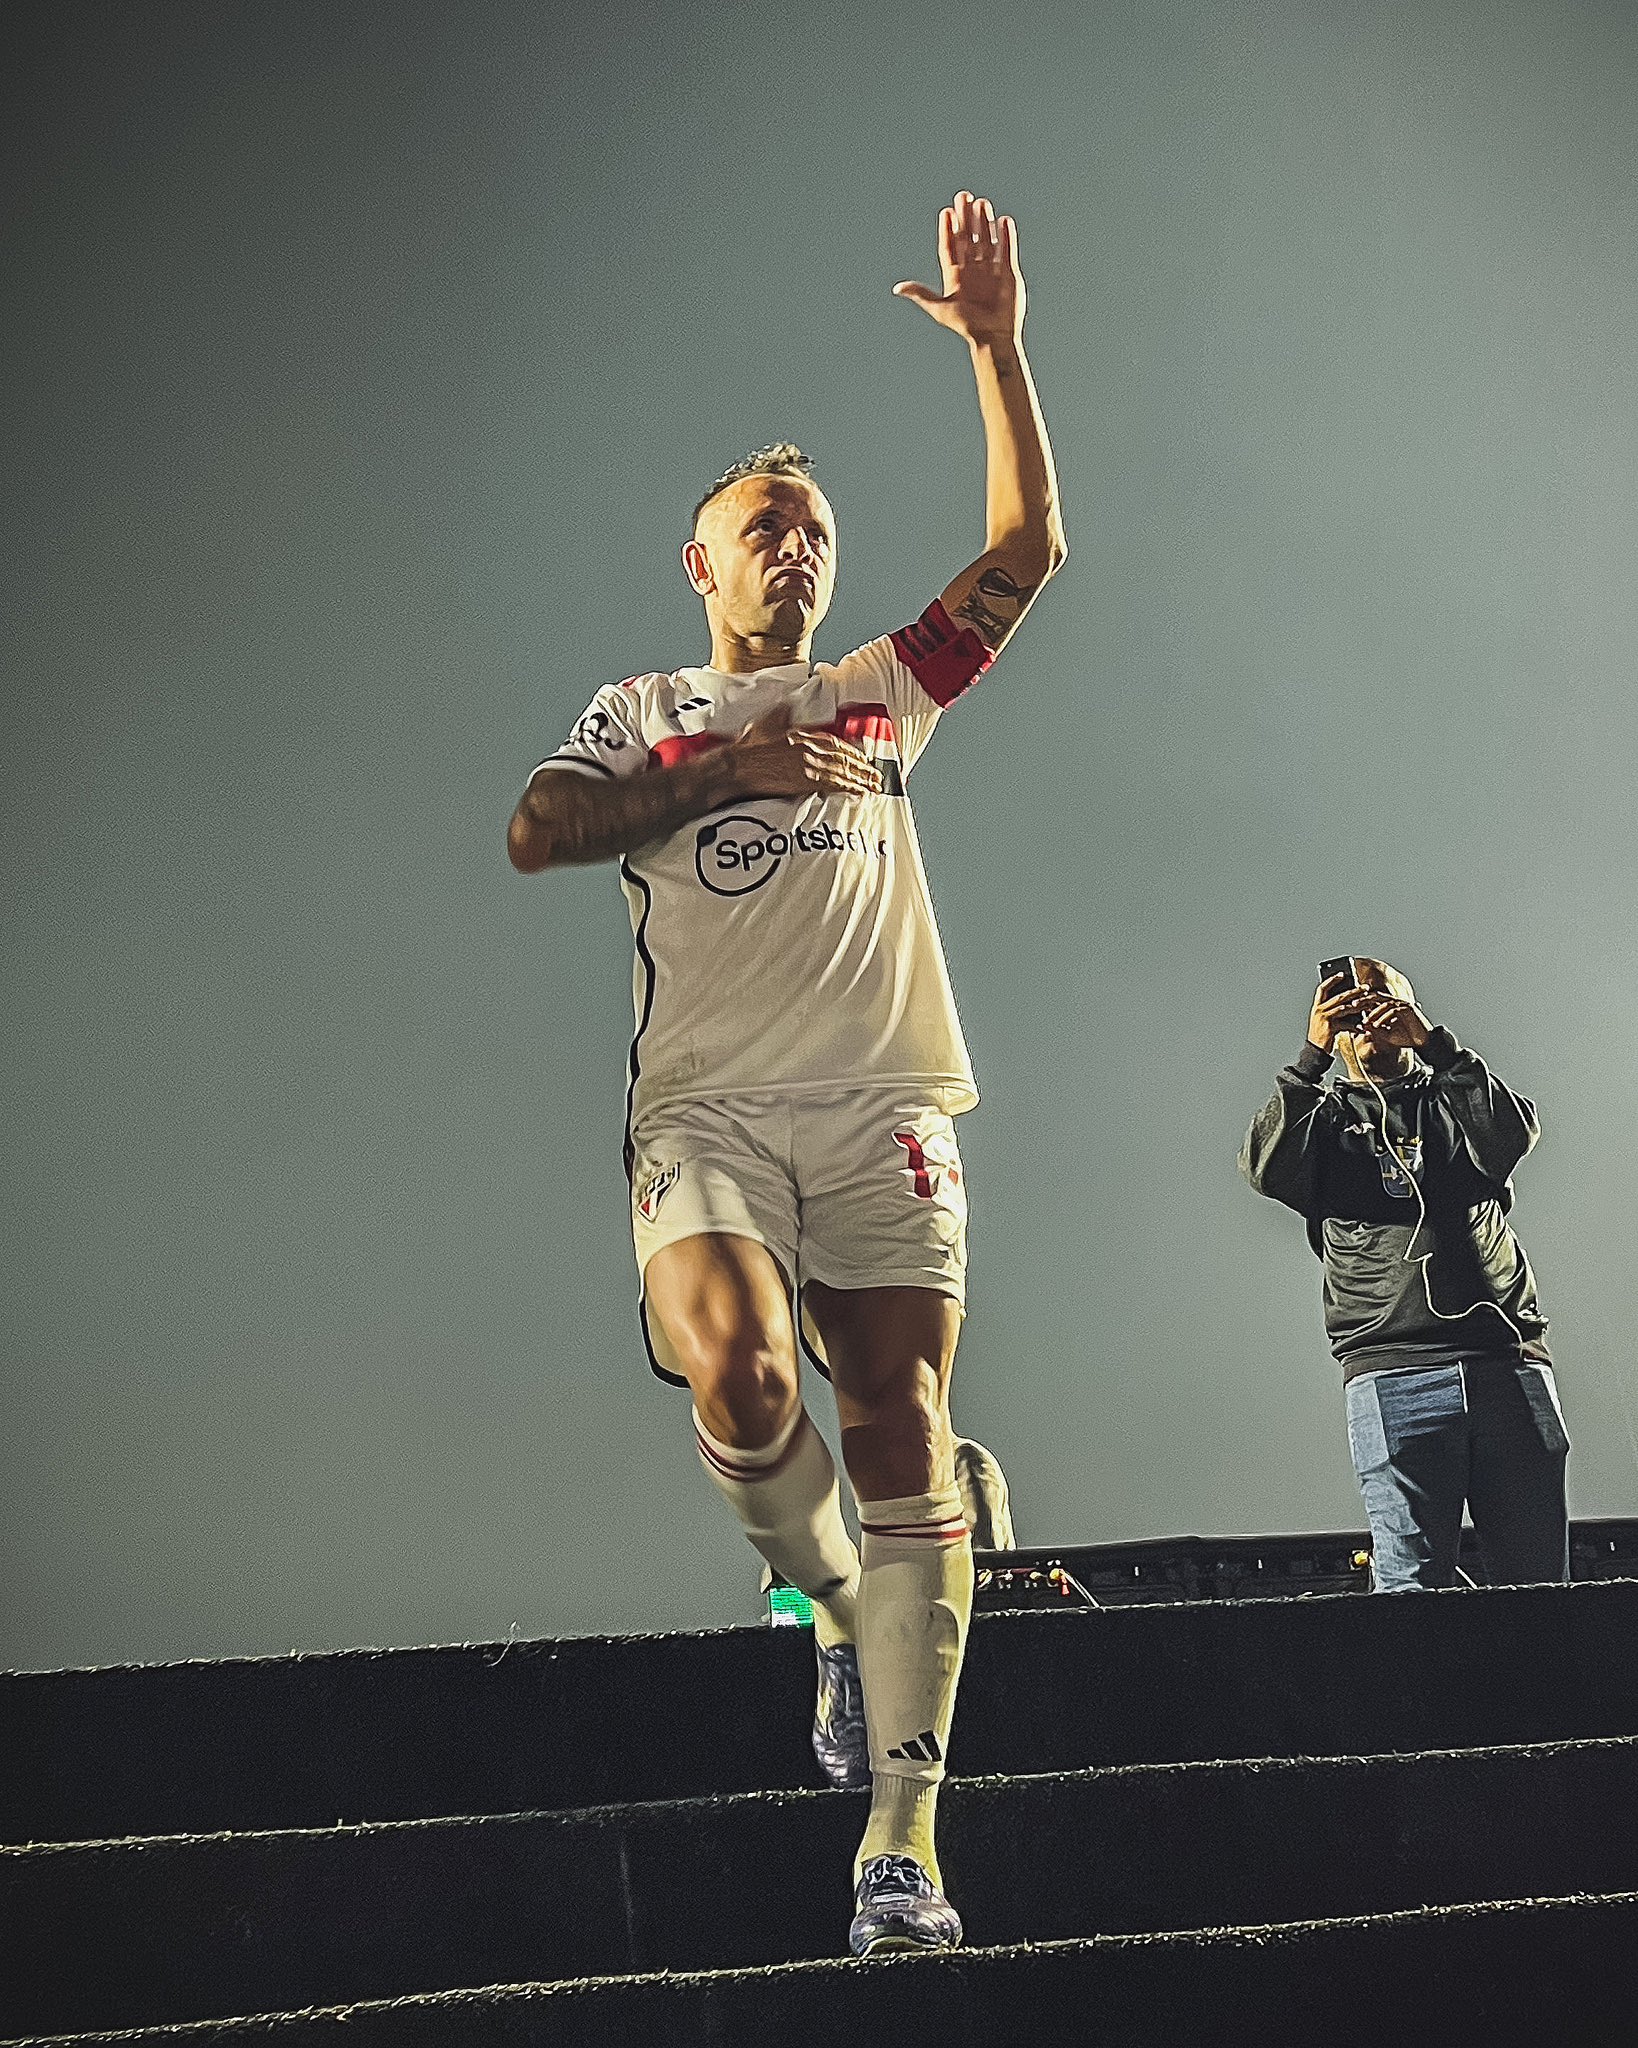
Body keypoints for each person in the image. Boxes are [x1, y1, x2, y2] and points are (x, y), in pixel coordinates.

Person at [507, 192, 1064, 1954]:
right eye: (764, 527)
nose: (795, 549)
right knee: (740, 1377)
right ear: (702, 562)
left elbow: (1027, 547)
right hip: (709, 1113)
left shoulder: (882, 691)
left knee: (901, 1427)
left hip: (884, 1100)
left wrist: (996, 349)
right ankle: (829, 1603)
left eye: (813, 528)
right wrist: (722, 780)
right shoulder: (644, 704)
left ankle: (899, 1836)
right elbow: (538, 827)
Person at [1239, 959, 1570, 1592]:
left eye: (1381, 999)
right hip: (1392, 1373)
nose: (1368, 1014)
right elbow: (1268, 1169)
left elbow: (1512, 1133)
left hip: (1507, 1362)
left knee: (1538, 1587)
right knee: (1408, 1586)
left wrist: (1435, 1045)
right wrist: (1311, 1057)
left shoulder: (1453, 1093)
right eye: (1350, 1004)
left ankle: (1541, 1692)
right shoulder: (1323, 1119)